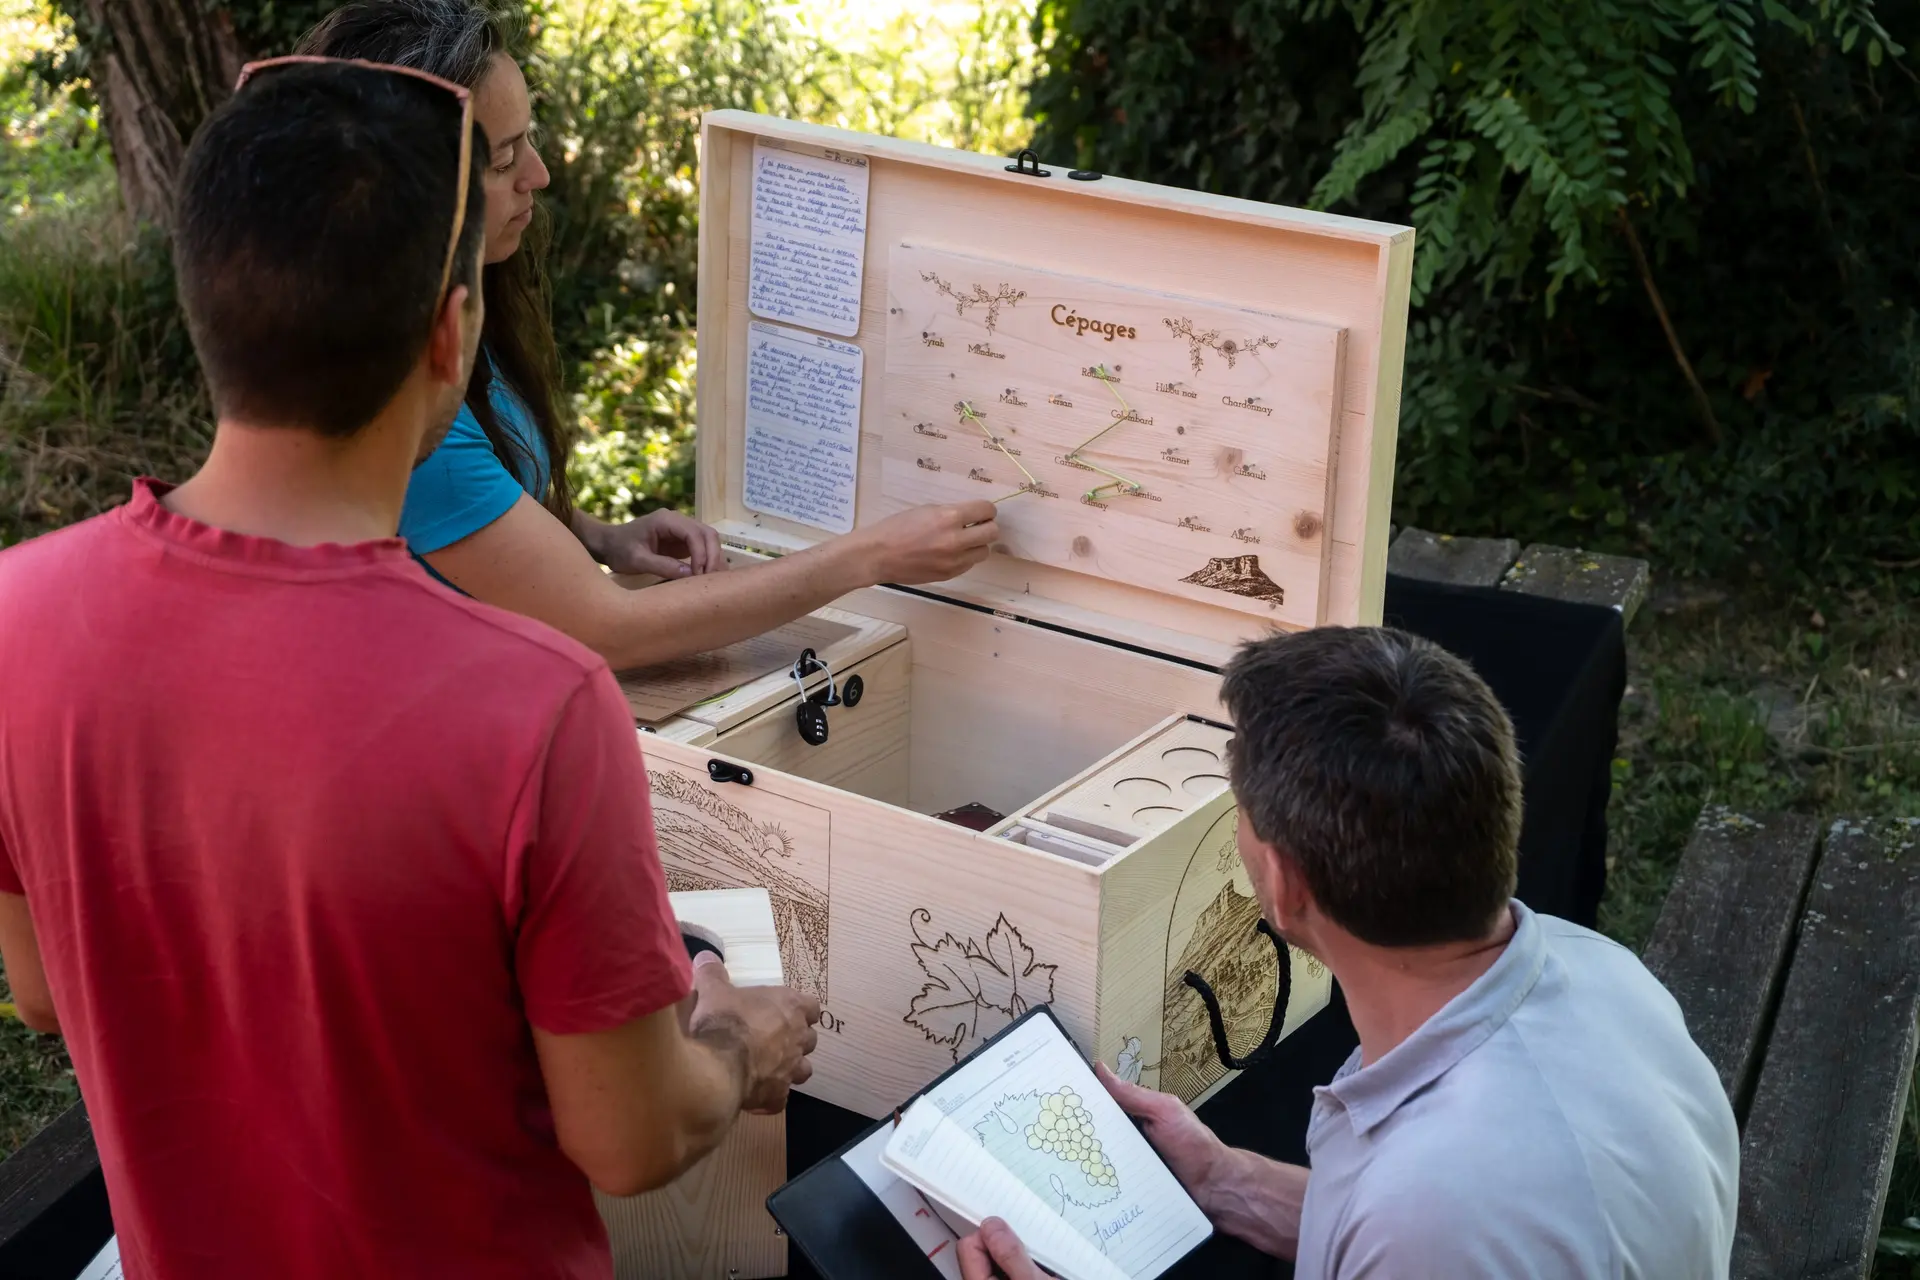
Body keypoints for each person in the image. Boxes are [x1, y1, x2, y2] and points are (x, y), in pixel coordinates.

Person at [0, 58, 816, 1279]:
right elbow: (632, 1135)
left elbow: (42, 992)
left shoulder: (16, 616)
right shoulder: (541, 706)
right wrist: (739, 1041)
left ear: (204, 303)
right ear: (450, 334)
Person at [958, 627, 1739, 1279]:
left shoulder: (1433, 1206)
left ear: (1285, 884)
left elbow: (1429, 1229)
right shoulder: (1602, 969)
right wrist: (1228, 1182)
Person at [293, 0, 999, 673]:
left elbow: (474, 501)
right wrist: (870, 557)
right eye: (504, 162)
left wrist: (596, 535)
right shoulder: (405, 412)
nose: (539, 175)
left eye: (530, 139)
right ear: (410, 194)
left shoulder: (444, 307)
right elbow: (609, 630)